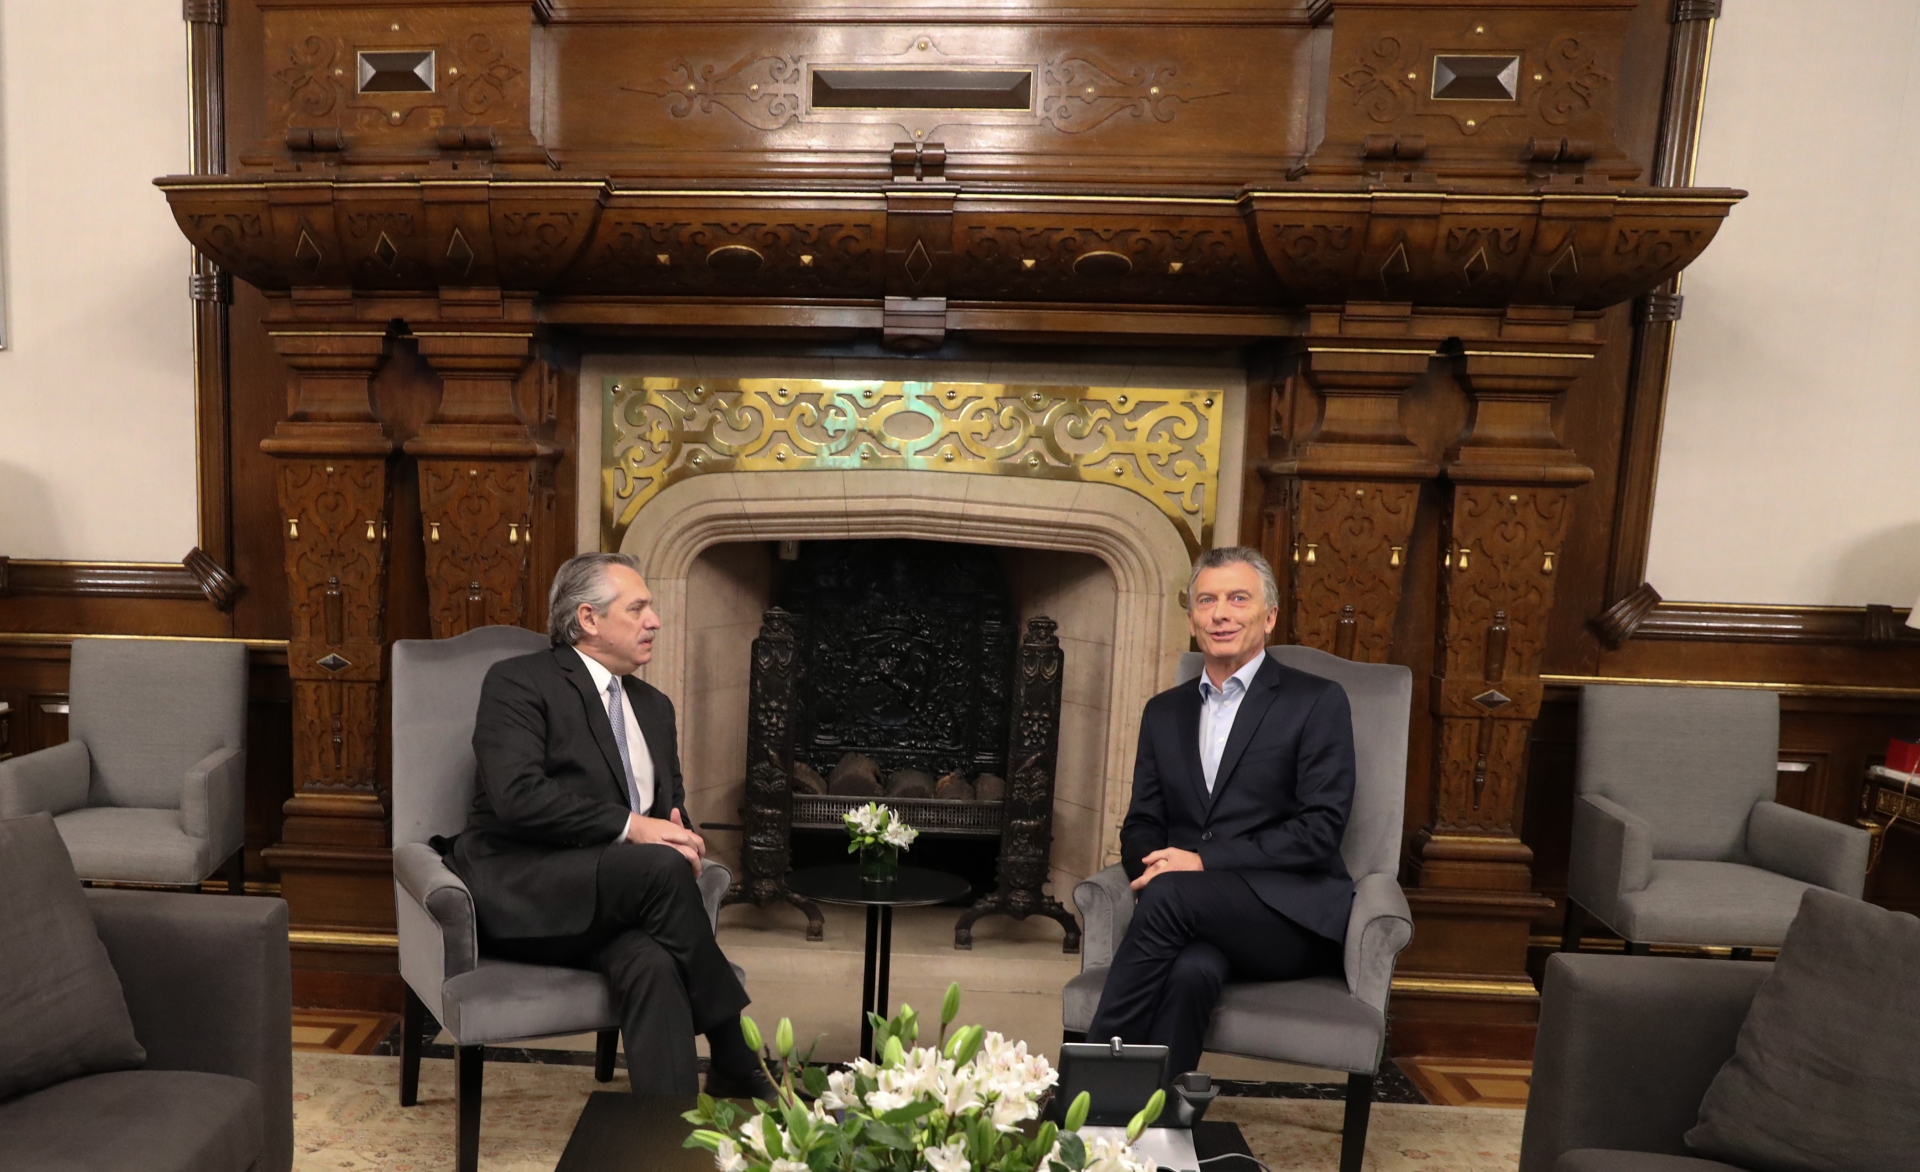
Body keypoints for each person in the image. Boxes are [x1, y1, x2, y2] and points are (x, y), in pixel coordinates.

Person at [441, 551, 775, 1098]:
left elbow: (669, 808)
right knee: (659, 871)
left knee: (651, 964)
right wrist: (634, 829)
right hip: (528, 889)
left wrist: (680, 832)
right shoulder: (519, 682)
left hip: (620, 899)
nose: (655, 621)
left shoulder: (655, 707)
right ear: (588, 619)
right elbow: (517, 798)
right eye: (638, 607)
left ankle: (669, 1139)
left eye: (652, 608)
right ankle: (735, 1055)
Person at [1085, 546, 1355, 1082]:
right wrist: (1155, 861)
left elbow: (1319, 830)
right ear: (1192, 619)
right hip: (1190, 912)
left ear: (1269, 616)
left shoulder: (1317, 701)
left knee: (1170, 896)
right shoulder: (1164, 711)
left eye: (1238, 598)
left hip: (1287, 914)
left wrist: (1198, 862)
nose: (1220, 613)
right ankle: (1151, 1129)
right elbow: (1141, 820)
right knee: (1191, 971)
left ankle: (1084, 1091)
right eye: (1206, 600)